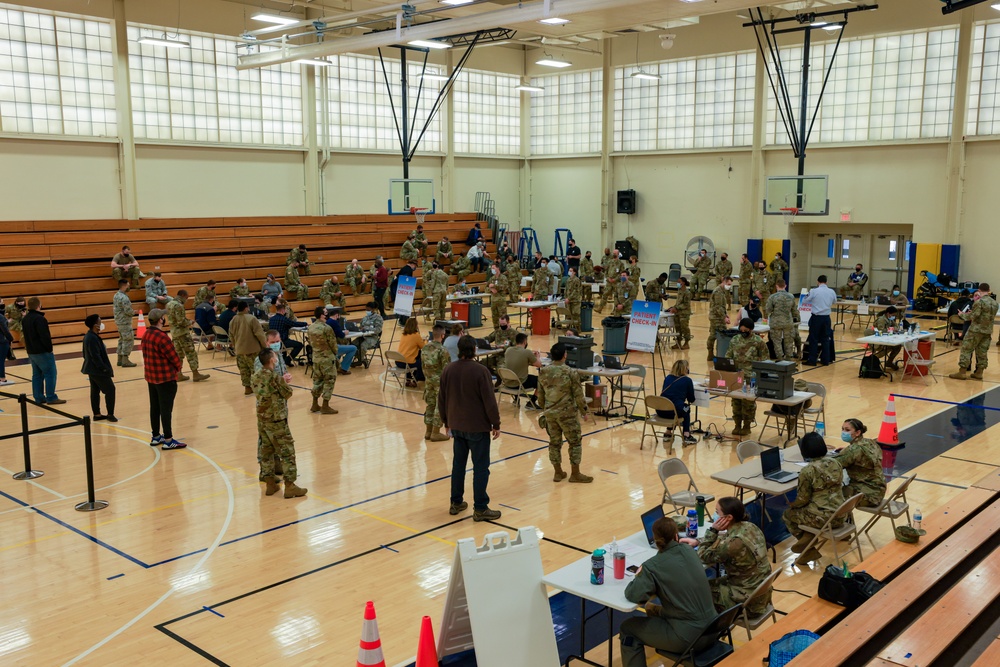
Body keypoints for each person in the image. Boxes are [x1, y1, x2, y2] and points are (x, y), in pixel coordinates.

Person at [620, 517, 717, 665]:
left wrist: (640, 573)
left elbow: (634, 595)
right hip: (714, 628)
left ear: (655, 539)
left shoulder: (652, 566)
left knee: (628, 628)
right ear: (676, 535)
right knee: (652, 609)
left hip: (690, 638)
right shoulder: (688, 550)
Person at [439, 335, 502, 521]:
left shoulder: (448, 369)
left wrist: (446, 422)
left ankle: (456, 502)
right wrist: (495, 423)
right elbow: (489, 401)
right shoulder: (480, 371)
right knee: (481, 468)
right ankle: (481, 508)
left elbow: (441, 399)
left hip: (456, 426)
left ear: (458, 349)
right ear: (474, 349)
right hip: (477, 427)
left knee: (458, 466)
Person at [680, 497, 771, 615]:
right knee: (705, 584)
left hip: (746, 603)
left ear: (728, 517)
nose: (715, 516)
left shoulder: (733, 543)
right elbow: (724, 539)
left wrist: (713, 530)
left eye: (717, 512)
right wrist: (698, 541)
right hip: (759, 594)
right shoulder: (750, 527)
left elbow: (703, 555)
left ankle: (705, 626)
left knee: (693, 591)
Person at [783, 432, 846, 564]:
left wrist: (792, 504)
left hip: (823, 519)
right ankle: (808, 535)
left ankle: (808, 547)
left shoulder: (808, 471)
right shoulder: (836, 463)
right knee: (810, 510)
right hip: (841, 514)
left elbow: (803, 499)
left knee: (788, 515)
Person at [253, 348, 307, 498]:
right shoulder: (274, 377)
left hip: (262, 418)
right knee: (287, 452)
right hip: (277, 419)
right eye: (275, 357)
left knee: (266, 451)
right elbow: (287, 393)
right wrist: (283, 382)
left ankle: (270, 484)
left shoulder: (256, 376)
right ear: (271, 360)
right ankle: (290, 486)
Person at [537, 342, 593, 483]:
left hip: (550, 414)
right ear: (565, 355)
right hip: (567, 414)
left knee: (554, 443)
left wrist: (546, 409)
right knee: (574, 443)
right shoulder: (570, 372)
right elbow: (578, 395)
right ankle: (575, 473)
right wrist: (584, 412)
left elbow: (540, 396)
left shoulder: (543, 371)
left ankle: (558, 472)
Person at [142, 309, 185, 449]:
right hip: (165, 378)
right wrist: (178, 367)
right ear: (161, 320)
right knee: (166, 409)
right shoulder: (162, 337)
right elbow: (173, 357)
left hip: (151, 377)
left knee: (154, 407)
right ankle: (168, 439)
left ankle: (155, 436)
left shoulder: (146, 334)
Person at [726, 317, 769, 438]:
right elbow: (728, 355)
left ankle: (747, 426)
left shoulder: (758, 341)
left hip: (751, 376)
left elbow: (765, 358)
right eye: (741, 330)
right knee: (736, 401)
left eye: (745, 330)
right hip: (737, 376)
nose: (743, 332)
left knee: (748, 402)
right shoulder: (735, 339)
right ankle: (737, 424)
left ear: (751, 330)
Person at [950, 283, 998, 380]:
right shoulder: (995, 303)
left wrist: (962, 314)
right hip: (987, 331)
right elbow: (986, 316)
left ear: (979, 290)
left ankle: (962, 372)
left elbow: (972, 317)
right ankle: (979, 372)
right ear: (989, 290)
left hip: (975, 330)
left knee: (966, 349)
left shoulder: (979, 302)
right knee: (982, 352)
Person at [834, 419, 886, 508]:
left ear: (858, 432)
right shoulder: (870, 442)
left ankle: (840, 520)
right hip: (878, 490)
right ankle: (846, 519)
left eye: (847, 430)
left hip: (868, 495)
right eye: (842, 429)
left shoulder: (854, 450)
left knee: (828, 497)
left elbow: (832, 465)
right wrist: (847, 450)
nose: (843, 432)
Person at [21, 298, 64, 405]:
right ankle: (51, 397)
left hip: (31, 351)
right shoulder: (40, 319)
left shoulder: (25, 318)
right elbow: (45, 337)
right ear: (39, 305)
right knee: (50, 373)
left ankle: (38, 397)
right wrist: (49, 349)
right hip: (42, 352)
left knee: (37, 375)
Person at [166, 290, 209, 382]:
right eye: (186, 297)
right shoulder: (179, 306)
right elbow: (181, 322)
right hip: (183, 333)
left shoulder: (169, 304)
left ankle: (178, 373)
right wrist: (190, 322)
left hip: (174, 333)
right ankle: (196, 373)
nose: (186, 300)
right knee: (191, 353)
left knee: (178, 354)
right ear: (182, 295)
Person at [81, 314, 117, 422]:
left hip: (91, 369)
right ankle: (110, 414)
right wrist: (104, 368)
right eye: (100, 321)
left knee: (95, 391)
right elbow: (95, 356)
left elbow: (85, 354)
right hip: (97, 370)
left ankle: (97, 414)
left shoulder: (90, 336)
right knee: (110, 390)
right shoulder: (92, 338)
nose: (101, 323)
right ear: (95, 325)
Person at [421, 324, 451, 442]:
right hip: (440, 382)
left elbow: (422, 365)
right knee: (439, 406)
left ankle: (428, 431)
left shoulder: (425, 348)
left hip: (428, 380)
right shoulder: (442, 350)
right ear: (443, 335)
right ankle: (435, 432)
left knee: (430, 404)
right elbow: (447, 369)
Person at [307, 306, 339, 415]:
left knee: (317, 381)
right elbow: (333, 344)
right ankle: (325, 405)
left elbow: (310, 342)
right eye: (326, 312)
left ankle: (314, 404)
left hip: (316, 358)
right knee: (329, 381)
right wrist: (335, 355)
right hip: (327, 359)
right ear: (322, 315)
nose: (327, 314)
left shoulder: (311, 327)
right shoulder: (327, 328)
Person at [230, 301, 268, 394]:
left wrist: (236, 346)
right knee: (256, 370)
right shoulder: (252, 319)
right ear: (246, 308)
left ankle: (247, 388)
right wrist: (265, 346)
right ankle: (259, 388)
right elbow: (260, 334)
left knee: (244, 370)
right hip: (252, 349)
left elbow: (231, 336)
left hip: (239, 350)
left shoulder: (233, 319)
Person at [657, 359, 697, 445]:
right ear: (686, 369)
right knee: (686, 409)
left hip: (660, 410)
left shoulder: (667, 378)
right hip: (673, 412)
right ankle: (686, 434)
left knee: (673, 407)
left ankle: (668, 432)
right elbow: (691, 399)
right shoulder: (687, 380)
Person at [802, 275, 837, 366]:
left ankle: (812, 360)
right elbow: (834, 302)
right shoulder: (832, 291)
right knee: (825, 339)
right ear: (826, 282)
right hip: (826, 318)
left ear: (818, 282)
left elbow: (805, 300)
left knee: (814, 339)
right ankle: (825, 360)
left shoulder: (814, 291)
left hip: (816, 317)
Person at [762, 279, 797, 363]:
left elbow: (768, 310)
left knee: (777, 341)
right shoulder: (791, 296)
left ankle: (780, 358)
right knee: (788, 341)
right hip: (788, 321)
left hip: (776, 322)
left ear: (776, 286)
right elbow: (794, 310)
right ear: (785, 286)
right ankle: (789, 358)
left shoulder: (772, 297)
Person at [503, 332, 542, 408]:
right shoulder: (527, 352)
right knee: (541, 380)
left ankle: (516, 399)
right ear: (525, 342)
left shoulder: (508, 350)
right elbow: (539, 364)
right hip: (520, 384)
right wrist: (537, 357)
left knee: (516, 373)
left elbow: (516, 361)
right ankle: (532, 401)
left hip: (507, 382)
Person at [706, 276, 733, 361]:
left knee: (713, 335)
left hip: (717, 316)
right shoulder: (718, 292)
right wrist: (724, 317)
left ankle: (712, 354)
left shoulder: (722, 291)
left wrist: (726, 314)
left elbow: (722, 306)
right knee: (720, 336)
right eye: (728, 284)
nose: (729, 286)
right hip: (717, 318)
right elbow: (718, 307)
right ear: (724, 281)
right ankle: (718, 354)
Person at [113, 279, 138, 368]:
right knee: (128, 339)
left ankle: (119, 359)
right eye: (128, 285)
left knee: (122, 339)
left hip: (119, 321)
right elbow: (128, 311)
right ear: (124, 285)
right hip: (125, 321)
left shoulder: (116, 295)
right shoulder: (124, 297)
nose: (129, 286)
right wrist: (134, 312)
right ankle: (125, 360)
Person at [269, 303, 303, 367]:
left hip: (274, 342)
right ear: (283, 311)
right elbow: (294, 324)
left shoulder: (271, 319)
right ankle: (287, 360)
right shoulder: (284, 319)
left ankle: (284, 360)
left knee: (287, 343)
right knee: (299, 345)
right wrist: (305, 323)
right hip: (282, 341)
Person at [325, 307, 357, 374]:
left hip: (326, 347)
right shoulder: (334, 322)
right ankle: (343, 368)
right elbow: (341, 335)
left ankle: (336, 364)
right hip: (333, 347)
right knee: (353, 348)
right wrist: (345, 333)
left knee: (342, 345)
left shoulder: (327, 322)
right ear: (337, 315)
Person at [396, 317, 426, 387]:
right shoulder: (416, 335)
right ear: (415, 325)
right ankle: (416, 380)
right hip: (407, 362)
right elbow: (423, 347)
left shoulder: (403, 334)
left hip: (398, 361)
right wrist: (425, 341)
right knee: (422, 362)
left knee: (415, 357)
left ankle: (408, 380)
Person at [666, 277, 693, 350]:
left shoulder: (687, 292)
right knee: (678, 328)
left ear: (683, 283)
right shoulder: (679, 290)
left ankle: (686, 343)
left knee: (684, 328)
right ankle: (678, 342)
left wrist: (677, 308)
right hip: (678, 313)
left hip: (684, 313)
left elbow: (686, 304)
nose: (677, 283)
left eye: (679, 282)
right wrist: (673, 307)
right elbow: (678, 302)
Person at [487, 264, 509, 331]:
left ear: (498, 268)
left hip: (501, 301)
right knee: (494, 318)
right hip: (493, 301)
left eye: (493, 268)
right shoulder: (492, 278)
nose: (492, 270)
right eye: (491, 268)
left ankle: (505, 331)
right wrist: (491, 289)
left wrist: (495, 286)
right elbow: (486, 288)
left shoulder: (503, 278)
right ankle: (496, 332)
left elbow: (505, 286)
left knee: (503, 318)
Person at [564, 267, 583, 331]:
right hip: (568, 301)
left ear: (574, 272)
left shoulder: (576, 280)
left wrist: (569, 298)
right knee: (568, 315)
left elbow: (576, 291)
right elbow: (566, 290)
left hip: (575, 300)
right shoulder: (568, 279)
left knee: (576, 315)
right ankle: (569, 328)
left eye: (571, 271)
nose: (569, 272)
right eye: (569, 270)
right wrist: (565, 298)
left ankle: (577, 329)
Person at [0, 300, 12, 386]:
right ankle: (2, 379)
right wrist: (10, 338)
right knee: (1, 360)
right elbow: (5, 330)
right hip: (2, 341)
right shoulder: (1, 317)